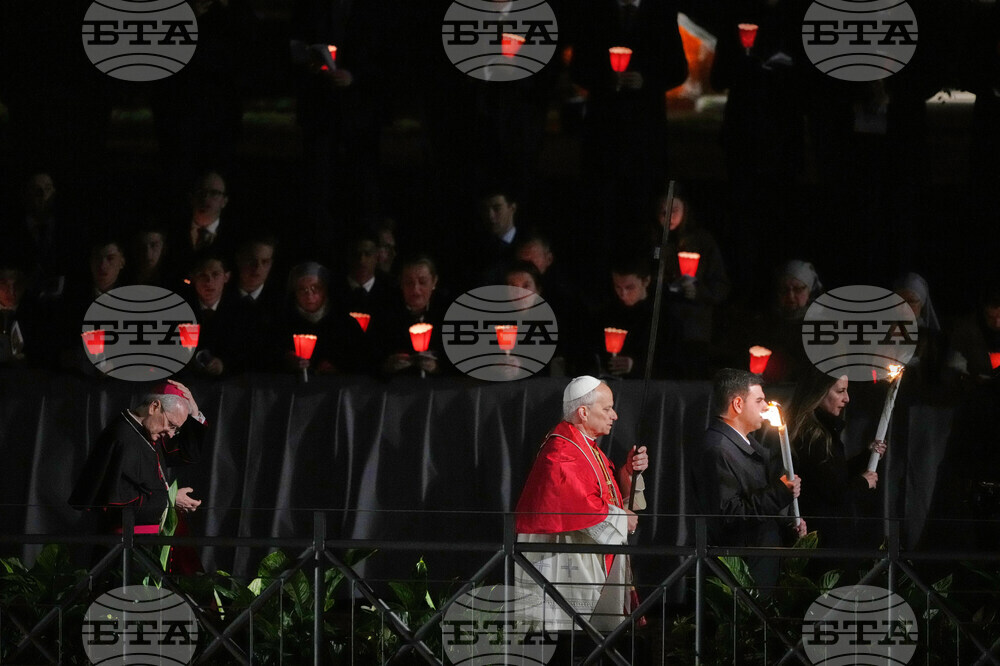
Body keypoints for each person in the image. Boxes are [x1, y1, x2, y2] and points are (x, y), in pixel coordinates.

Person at [515, 376, 648, 632]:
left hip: (587, 556)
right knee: (572, 635)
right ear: (583, 412)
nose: (615, 415)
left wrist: (627, 474)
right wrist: (622, 519)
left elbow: (605, 496)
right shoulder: (561, 452)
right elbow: (580, 506)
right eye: (607, 409)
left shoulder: (586, 447)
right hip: (565, 558)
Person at [692, 368, 806, 592]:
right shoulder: (718, 449)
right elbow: (729, 515)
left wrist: (787, 522)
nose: (765, 407)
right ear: (737, 404)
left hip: (757, 563)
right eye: (759, 400)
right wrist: (780, 493)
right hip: (740, 575)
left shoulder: (745, 445)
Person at [69, 380, 206, 534]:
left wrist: (195, 413)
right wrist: (170, 499)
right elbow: (120, 502)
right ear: (154, 407)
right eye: (171, 425)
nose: (171, 434)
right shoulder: (123, 437)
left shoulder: (147, 432)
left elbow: (186, 454)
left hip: (145, 536)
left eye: (176, 429)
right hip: (124, 539)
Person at [787, 370, 885, 550]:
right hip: (823, 538)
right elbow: (831, 493)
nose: (847, 399)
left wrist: (867, 456)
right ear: (819, 393)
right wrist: (863, 483)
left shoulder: (824, 431)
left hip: (830, 533)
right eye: (840, 391)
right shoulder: (812, 438)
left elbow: (835, 474)